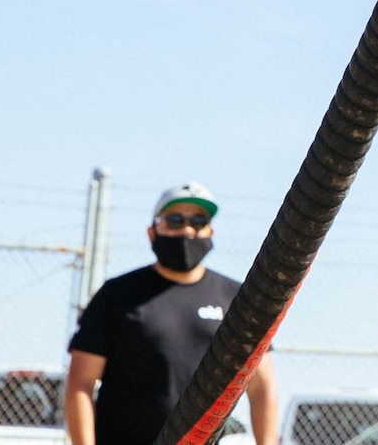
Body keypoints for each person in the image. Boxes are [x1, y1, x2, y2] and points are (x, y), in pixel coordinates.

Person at [65, 183, 279, 445]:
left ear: (210, 231)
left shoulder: (236, 298)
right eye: (175, 220)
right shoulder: (117, 295)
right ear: (152, 232)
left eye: (198, 221)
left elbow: (261, 387)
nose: (187, 230)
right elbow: (80, 384)